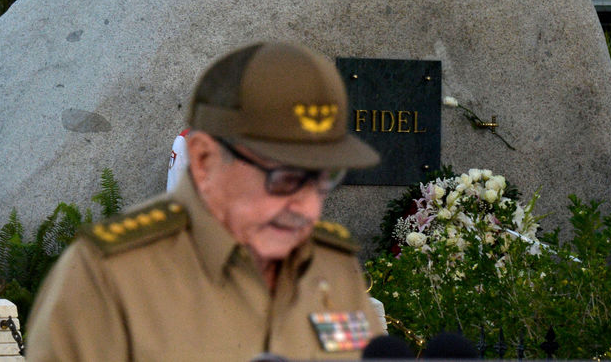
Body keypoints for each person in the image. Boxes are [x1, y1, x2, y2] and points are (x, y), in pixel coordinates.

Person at [26, 42, 384, 361]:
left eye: (323, 178)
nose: (307, 209)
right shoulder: (107, 277)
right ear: (204, 160)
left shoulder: (331, 267)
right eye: (285, 179)